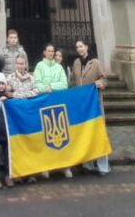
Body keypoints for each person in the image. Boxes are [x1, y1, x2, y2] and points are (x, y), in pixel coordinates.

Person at [72, 39, 110, 176]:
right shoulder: (76, 63)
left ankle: (103, 166)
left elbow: (104, 79)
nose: (79, 49)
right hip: (82, 105)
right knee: (85, 134)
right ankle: (87, 165)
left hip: (94, 104)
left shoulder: (95, 62)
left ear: (86, 47)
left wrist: (100, 83)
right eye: (77, 47)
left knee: (98, 134)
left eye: (81, 46)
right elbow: (73, 81)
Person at [33, 44, 72, 179]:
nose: (50, 53)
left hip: (58, 104)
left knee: (62, 135)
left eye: (52, 51)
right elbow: (36, 84)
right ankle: (46, 166)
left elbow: (64, 84)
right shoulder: (39, 66)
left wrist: (51, 86)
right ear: (44, 52)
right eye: (48, 51)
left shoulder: (59, 67)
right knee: (45, 135)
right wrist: (45, 88)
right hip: (44, 104)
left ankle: (64, 166)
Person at [0, 73, 14, 188]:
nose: (1, 86)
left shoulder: (10, 99)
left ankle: (7, 176)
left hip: (6, 132)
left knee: (7, 156)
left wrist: (8, 98)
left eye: (2, 84)